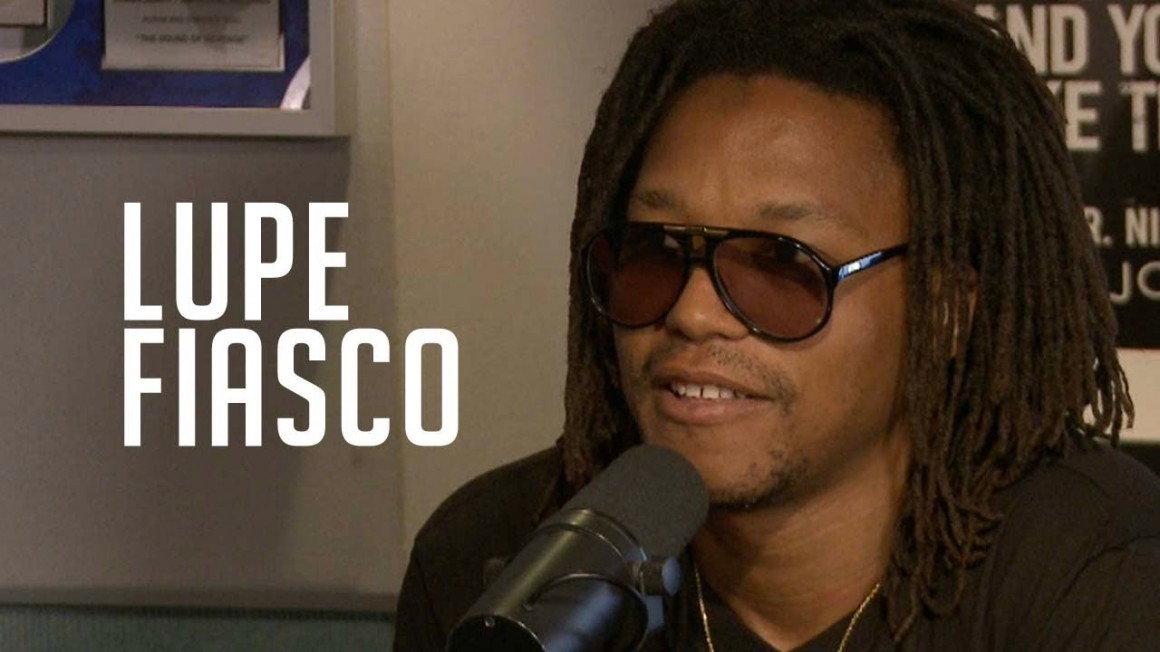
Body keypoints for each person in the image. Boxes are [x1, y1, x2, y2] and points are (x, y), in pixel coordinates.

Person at [394, 1, 1160, 650]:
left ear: (943, 309)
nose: (692, 312)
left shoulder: (1092, 570)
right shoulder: (499, 562)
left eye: (782, 266)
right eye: (654, 253)